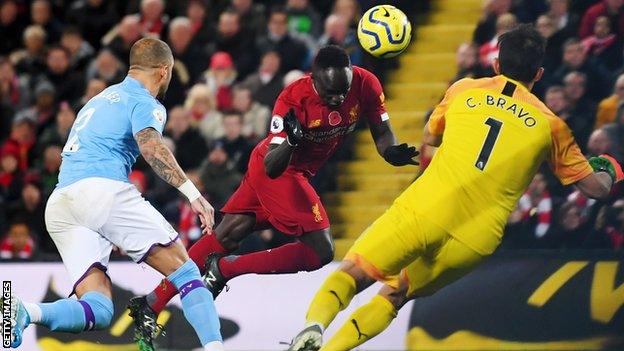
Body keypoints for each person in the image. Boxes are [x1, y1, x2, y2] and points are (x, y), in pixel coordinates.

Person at [287, 24, 624, 351]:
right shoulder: (552, 125)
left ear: (495, 64)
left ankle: (313, 327)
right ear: (538, 74)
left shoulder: (464, 89)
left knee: (354, 273)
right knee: (396, 295)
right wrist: (611, 166)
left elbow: (430, 139)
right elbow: (596, 189)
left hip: (428, 207)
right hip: (476, 237)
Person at [130, 45, 419, 337]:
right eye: (329, 93)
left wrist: (389, 150)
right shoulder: (293, 98)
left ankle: (152, 302)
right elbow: (272, 166)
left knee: (228, 234)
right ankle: (227, 268)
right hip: (280, 171)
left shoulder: (366, 83)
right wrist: (292, 141)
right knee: (321, 251)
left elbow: (382, 131)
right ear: (314, 78)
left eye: (342, 92)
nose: (337, 100)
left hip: (296, 173)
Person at [8, 38, 224, 351]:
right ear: (163, 71)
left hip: (61, 203)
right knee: (187, 272)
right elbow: (151, 145)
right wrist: (193, 194)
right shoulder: (145, 101)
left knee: (98, 309)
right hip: (101, 191)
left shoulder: (98, 100)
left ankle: (26, 310)